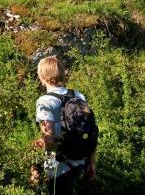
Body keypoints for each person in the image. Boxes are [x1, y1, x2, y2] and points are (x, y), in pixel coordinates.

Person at [32, 56, 96, 195]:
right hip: (81, 160)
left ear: (42, 76)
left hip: (60, 167)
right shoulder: (78, 95)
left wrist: (49, 168)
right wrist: (91, 163)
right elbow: (90, 130)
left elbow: (49, 136)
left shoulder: (45, 101)